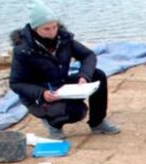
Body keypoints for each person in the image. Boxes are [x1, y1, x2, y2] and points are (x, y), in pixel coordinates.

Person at [9, 0, 120, 139]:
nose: (52, 32)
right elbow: (16, 83)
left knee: (98, 75)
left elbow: (88, 55)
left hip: (60, 83)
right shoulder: (23, 50)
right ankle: (53, 125)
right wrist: (41, 93)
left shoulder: (64, 39)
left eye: (54, 27)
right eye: (46, 29)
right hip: (39, 94)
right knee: (76, 112)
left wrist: (84, 76)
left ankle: (97, 122)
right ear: (35, 29)